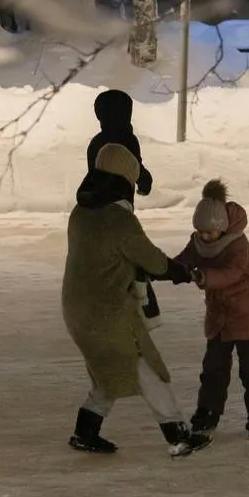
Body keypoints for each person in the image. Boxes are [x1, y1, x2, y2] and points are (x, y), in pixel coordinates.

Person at [62, 143, 211, 458]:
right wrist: (180, 271)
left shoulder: (80, 212)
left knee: (106, 369)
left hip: (77, 311)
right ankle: (178, 435)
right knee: (147, 368)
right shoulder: (118, 219)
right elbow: (152, 261)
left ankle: (85, 431)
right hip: (109, 313)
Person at [175, 179, 249, 439]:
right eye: (201, 232)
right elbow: (186, 258)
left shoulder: (237, 243)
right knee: (213, 368)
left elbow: (232, 273)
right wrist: (169, 269)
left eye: (210, 232)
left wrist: (204, 277)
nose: (205, 236)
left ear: (221, 227)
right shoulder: (199, 240)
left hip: (247, 312)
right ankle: (208, 412)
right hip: (220, 314)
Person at [86, 89, 162, 329]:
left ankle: (122, 314)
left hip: (106, 210)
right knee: (130, 258)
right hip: (118, 210)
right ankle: (141, 314)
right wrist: (144, 181)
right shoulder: (126, 141)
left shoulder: (97, 143)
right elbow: (134, 167)